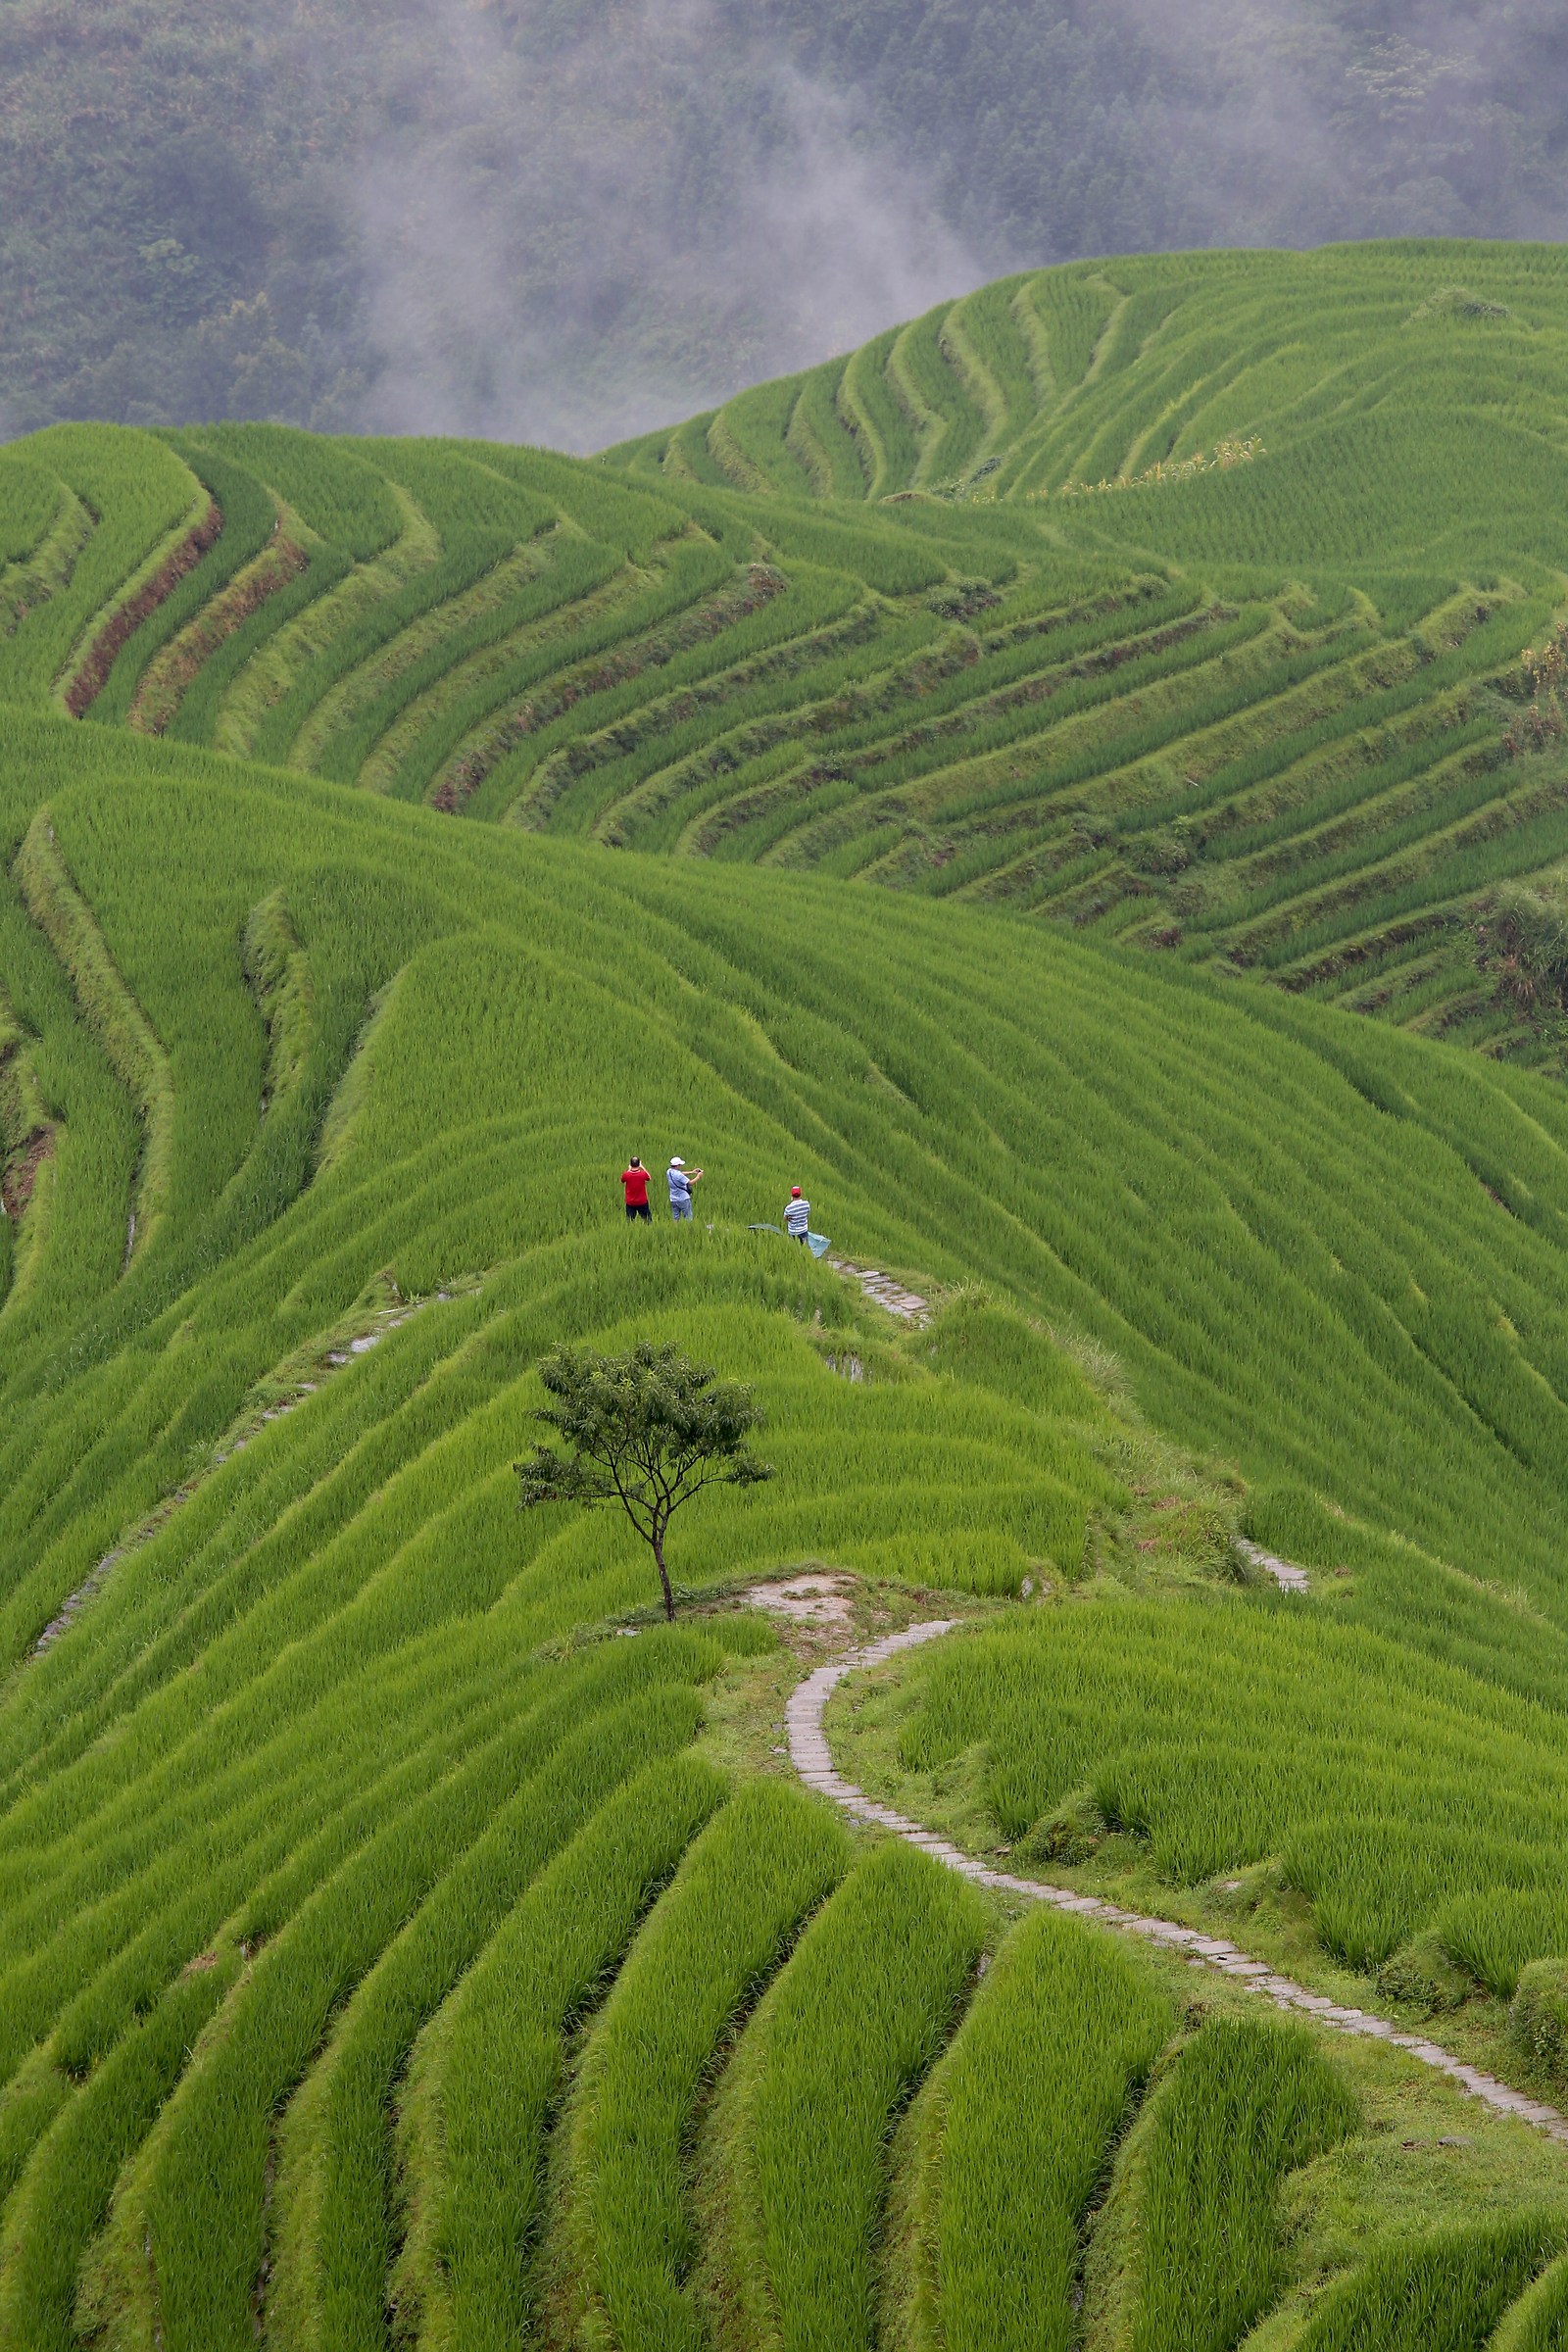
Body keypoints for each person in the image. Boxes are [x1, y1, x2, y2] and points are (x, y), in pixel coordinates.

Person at [667, 1154, 704, 1221]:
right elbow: (690, 1183)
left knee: (675, 1218)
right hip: (683, 1199)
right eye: (680, 1165)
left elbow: (680, 1173)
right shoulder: (678, 1175)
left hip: (673, 1199)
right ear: (677, 1165)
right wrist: (698, 1176)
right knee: (688, 1218)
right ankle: (688, 1230)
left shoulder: (669, 1171)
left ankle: (674, 1230)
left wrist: (692, 1172)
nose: (681, 1166)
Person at [620, 1156, 653, 1222]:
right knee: (648, 1220)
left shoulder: (626, 1174)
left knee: (629, 1221)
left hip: (630, 1202)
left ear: (630, 1164)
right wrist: (642, 1167)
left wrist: (629, 1169)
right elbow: (649, 1177)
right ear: (638, 1164)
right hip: (642, 1201)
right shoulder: (643, 1174)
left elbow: (622, 1180)